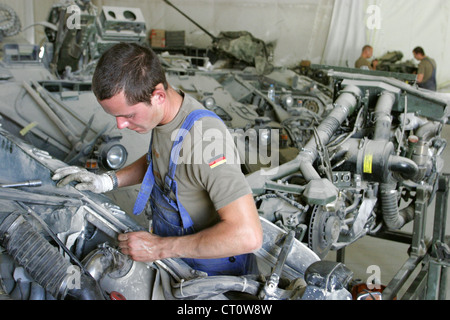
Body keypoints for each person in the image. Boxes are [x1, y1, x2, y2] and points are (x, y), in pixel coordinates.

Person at [52, 42, 263, 276]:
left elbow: (247, 235)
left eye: (128, 115)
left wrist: (158, 248)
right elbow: (159, 160)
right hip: (179, 257)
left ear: (159, 95)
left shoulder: (206, 143)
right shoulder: (167, 115)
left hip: (216, 272)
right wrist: (107, 181)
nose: (120, 124)